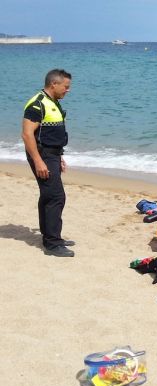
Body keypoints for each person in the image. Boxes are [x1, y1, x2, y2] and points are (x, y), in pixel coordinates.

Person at [21, 69, 75, 257]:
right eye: (66, 87)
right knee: (56, 197)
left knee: (48, 195)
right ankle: (53, 244)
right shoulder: (37, 104)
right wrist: (38, 161)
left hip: (51, 155)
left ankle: (50, 236)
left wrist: (59, 157)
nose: (68, 90)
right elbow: (27, 134)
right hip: (42, 156)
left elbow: (51, 135)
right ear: (54, 84)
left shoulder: (54, 103)